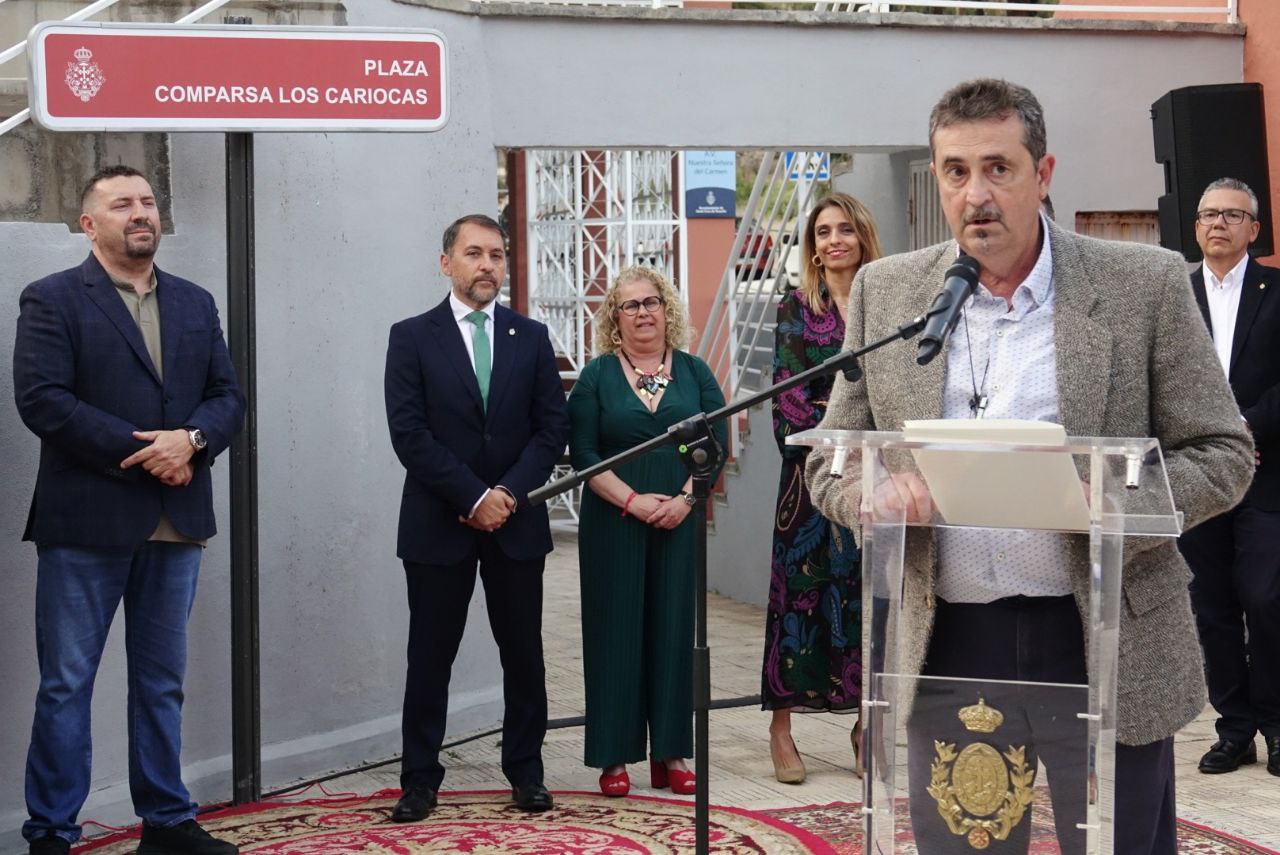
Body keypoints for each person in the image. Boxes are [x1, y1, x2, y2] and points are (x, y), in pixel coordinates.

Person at [802, 79, 1253, 854]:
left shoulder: (1140, 285)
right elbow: (831, 461)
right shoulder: (889, 292)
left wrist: (1112, 499)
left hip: (1103, 633)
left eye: (998, 168)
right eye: (954, 171)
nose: (975, 193)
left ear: (1042, 175)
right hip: (950, 638)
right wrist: (873, 491)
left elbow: (1224, 451)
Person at [13, 165, 245, 855]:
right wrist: (150, 450)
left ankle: (167, 822)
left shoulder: (196, 302)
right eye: (122, 204)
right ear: (89, 223)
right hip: (86, 524)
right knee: (65, 685)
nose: (140, 212)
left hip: (176, 521)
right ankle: (52, 832)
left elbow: (227, 397)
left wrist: (194, 440)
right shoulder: (52, 299)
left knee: (161, 682)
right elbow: (43, 400)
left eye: (147, 201)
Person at [383, 214, 570, 820]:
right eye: (474, 253)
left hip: (516, 525)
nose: (487, 264)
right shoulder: (411, 336)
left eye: (496, 254)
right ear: (447, 263)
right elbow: (409, 434)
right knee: (430, 656)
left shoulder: (532, 336)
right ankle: (419, 780)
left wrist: (508, 494)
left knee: (523, 654)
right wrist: (472, 497)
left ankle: (526, 772)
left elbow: (551, 431)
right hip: (440, 526)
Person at [568, 266, 727, 798]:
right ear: (615, 317)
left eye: (651, 302)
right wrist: (634, 501)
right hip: (615, 518)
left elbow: (715, 443)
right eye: (630, 304)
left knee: (673, 630)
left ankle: (672, 754)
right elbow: (585, 455)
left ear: (668, 309)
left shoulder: (695, 371)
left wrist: (686, 500)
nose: (643, 312)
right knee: (616, 631)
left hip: (679, 519)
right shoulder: (596, 377)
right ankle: (614, 756)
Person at [763, 193, 882, 785]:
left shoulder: (884, 304)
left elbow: (897, 393)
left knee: (863, 600)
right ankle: (782, 728)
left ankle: (865, 727)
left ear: (862, 235)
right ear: (812, 246)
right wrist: (844, 429)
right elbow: (787, 398)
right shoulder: (793, 308)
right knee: (797, 603)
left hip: (871, 478)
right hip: (807, 484)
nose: (834, 240)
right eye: (822, 232)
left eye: (844, 229)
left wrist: (864, 435)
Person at [1180, 177, 1280, 778]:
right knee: (1211, 606)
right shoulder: (1176, 294)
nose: (1218, 224)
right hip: (1197, 475)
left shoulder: (1277, 291)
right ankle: (1234, 728)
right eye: (1208, 214)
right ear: (1195, 228)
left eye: (1232, 215)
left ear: (1254, 229)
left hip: (1267, 472)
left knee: (1265, 598)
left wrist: (1245, 427)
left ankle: (1276, 723)